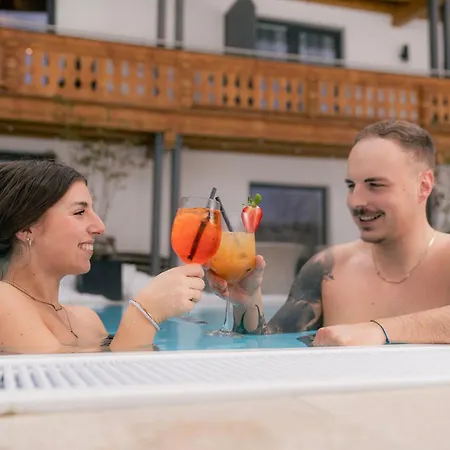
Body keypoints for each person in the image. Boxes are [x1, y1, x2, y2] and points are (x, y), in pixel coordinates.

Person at [207, 119, 450, 346]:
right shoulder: (327, 268)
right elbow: (267, 347)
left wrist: (378, 330)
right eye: (351, 185)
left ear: (423, 186)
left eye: (375, 185)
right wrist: (247, 301)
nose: (356, 201)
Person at [0, 159, 206, 354]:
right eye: (79, 212)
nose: (100, 226)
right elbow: (62, 378)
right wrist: (145, 312)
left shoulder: (87, 322)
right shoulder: (3, 300)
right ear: (26, 228)